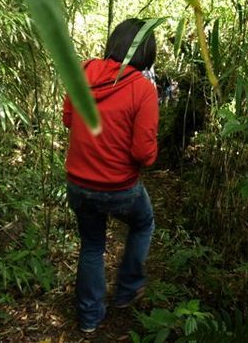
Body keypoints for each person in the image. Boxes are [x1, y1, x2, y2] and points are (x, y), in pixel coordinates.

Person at [63, 18, 159, 333]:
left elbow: (68, 119)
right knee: (143, 223)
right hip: (120, 187)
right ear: (146, 51)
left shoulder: (82, 71)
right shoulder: (142, 89)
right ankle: (127, 290)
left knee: (92, 244)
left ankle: (90, 319)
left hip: (79, 183)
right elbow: (143, 153)